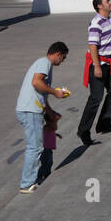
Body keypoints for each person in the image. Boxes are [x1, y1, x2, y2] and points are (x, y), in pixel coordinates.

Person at [15, 42, 71, 193]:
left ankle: (43, 173)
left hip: (34, 109)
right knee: (35, 147)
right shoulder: (44, 63)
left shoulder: (45, 65)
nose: (63, 61)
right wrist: (55, 92)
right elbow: (36, 82)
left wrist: (50, 112)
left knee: (44, 143)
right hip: (30, 111)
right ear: (58, 54)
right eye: (63, 58)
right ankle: (26, 184)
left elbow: (40, 94)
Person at [78, 0, 111, 144]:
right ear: (99, 6)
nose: (110, 3)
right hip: (99, 65)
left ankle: (104, 123)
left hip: (110, 64)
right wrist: (96, 66)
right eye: (107, 1)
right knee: (96, 98)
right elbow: (92, 45)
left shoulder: (109, 20)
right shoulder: (96, 23)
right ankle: (83, 131)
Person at [38, 106, 62, 183]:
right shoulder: (47, 127)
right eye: (55, 121)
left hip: (48, 148)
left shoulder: (49, 127)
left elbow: (51, 133)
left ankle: (47, 175)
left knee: (49, 162)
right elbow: (58, 117)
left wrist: (56, 135)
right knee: (45, 163)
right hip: (44, 149)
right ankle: (39, 177)